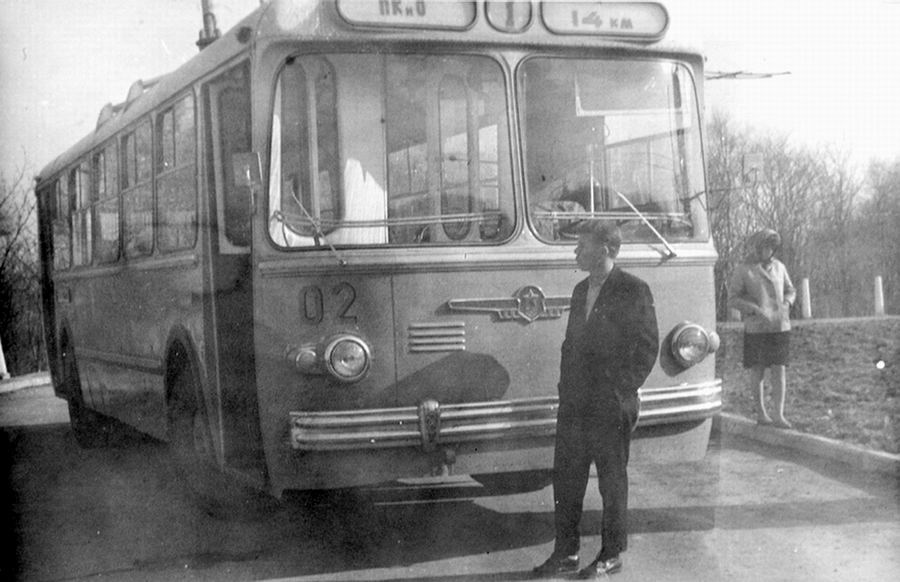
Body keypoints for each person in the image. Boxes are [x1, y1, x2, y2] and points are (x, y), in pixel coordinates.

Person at [533, 221, 659, 579]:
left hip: (610, 404)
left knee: (611, 482)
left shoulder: (634, 289)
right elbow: (572, 345)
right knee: (567, 481)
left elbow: (647, 347)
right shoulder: (579, 290)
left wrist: (620, 391)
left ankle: (611, 554)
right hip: (574, 404)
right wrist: (564, 389)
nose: (576, 252)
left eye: (582, 246)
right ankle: (566, 553)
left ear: (605, 249)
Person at [727, 229, 796, 429]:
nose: (767, 250)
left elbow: (791, 290)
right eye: (763, 246)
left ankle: (779, 415)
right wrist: (754, 309)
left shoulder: (780, 267)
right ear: (756, 247)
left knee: (779, 368)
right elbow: (733, 298)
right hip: (756, 328)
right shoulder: (744, 269)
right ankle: (761, 413)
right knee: (757, 370)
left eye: (770, 247)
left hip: (779, 326)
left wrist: (787, 304)